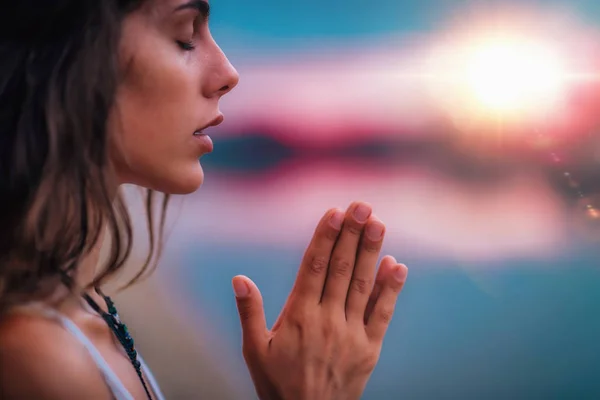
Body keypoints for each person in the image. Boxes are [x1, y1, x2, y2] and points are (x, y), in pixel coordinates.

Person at [0, 0, 409, 399]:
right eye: (184, 37)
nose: (228, 74)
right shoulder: (36, 360)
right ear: (71, 58)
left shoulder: (82, 305)